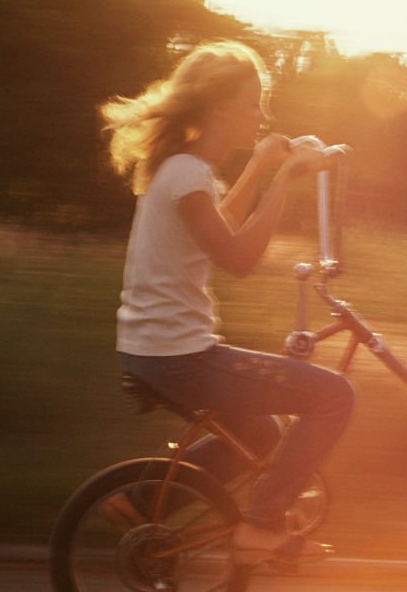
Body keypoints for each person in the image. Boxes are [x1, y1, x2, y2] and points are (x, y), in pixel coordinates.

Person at [100, 40, 354, 563]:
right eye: (253, 102)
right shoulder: (188, 174)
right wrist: (285, 178)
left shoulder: (181, 170)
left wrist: (261, 165)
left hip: (156, 352)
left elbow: (219, 229)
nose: (262, 115)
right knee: (334, 397)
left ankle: (141, 501)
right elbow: (237, 258)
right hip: (181, 358)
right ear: (220, 107)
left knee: (261, 431)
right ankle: (262, 526)